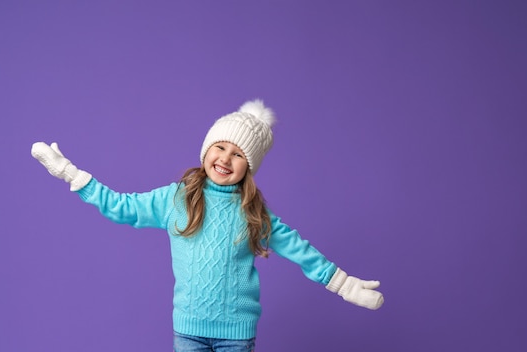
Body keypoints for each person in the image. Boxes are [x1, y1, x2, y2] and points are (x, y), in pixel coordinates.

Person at [31, 99, 384, 352]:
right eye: (220, 147)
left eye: (239, 154)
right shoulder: (175, 199)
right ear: (206, 151)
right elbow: (120, 207)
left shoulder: (255, 214)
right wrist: (71, 175)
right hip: (188, 332)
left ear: (250, 166)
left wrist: (343, 284)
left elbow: (300, 251)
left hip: (236, 334)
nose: (226, 159)